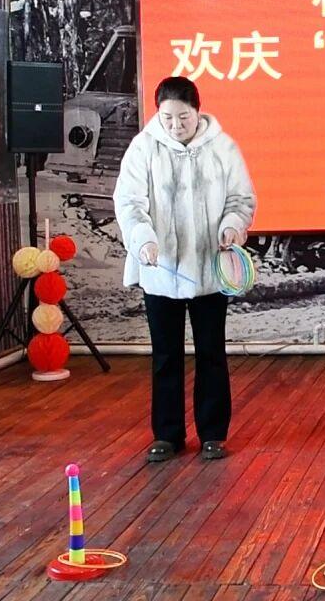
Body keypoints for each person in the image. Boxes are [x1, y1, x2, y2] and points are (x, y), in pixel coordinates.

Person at [114, 76, 256, 463]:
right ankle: (168, 434)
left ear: (198, 112)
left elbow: (241, 199)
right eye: (168, 118)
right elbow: (129, 203)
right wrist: (143, 239)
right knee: (165, 354)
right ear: (158, 114)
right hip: (162, 270)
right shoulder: (143, 148)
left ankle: (213, 433)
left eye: (184, 117)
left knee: (212, 352)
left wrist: (232, 226)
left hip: (210, 269)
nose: (176, 125)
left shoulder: (223, 147)